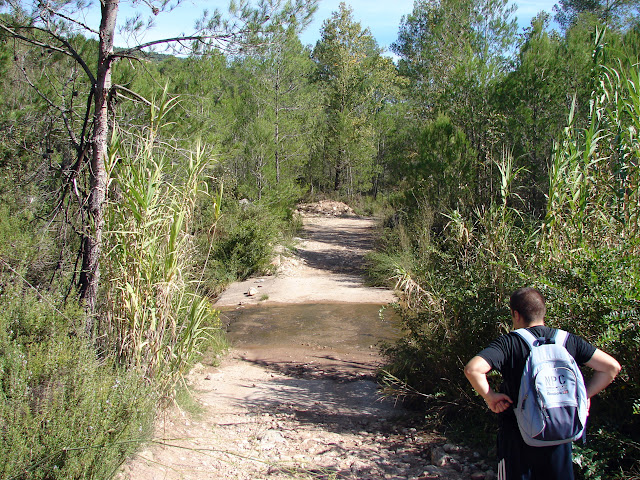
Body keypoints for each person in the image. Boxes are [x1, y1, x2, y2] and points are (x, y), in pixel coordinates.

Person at [464, 287, 621, 480]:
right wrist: (584, 395)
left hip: (518, 438)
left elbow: (473, 369)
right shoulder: (567, 340)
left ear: (516, 314)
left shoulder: (510, 343)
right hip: (560, 435)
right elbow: (611, 368)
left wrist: (490, 397)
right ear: (543, 311)